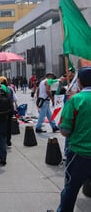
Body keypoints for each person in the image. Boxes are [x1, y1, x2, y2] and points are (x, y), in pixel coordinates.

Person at [56, 66, 91, 212]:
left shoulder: (75, 100)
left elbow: (65, 131)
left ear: (80, 82)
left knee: (70, 191)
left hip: (79, 154)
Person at [0, 76, 17, 147]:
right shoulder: (10, 88)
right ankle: (8, 141)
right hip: (10, 109)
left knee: (1, 126)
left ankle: (1, 140)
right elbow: (15, 99)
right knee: (9, 126)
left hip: (0, 111)